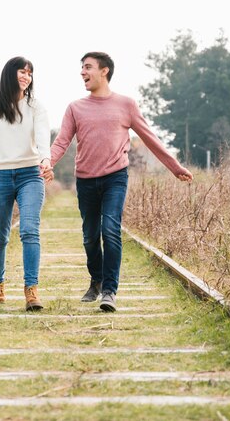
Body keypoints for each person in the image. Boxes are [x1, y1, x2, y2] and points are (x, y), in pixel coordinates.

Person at [48, 51, 193, 312]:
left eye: (87, 67)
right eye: (82, 67)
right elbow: (62, 141)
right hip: (85, 180)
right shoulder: (75, 107)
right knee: (90, 236)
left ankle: (109, 291)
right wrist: (47, 163)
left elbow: (150, 138)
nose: (82, 72)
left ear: (104, 71)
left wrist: (175, 167)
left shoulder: (126, 105)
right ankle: (96, 279)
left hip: (116, 177)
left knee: (110, 230)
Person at [0, 56, 53, 311]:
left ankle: (31, 291)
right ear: (10, 74)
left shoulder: (36, 107)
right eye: (22, 71)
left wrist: (45, 159)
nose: (26, 76)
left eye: (30, 73)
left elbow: (42, 137)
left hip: (30, 174)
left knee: (30, 229)